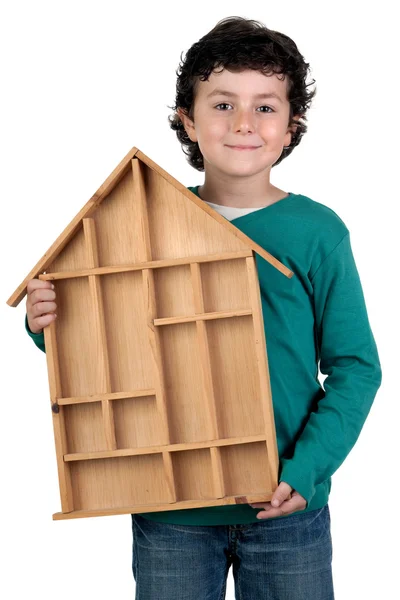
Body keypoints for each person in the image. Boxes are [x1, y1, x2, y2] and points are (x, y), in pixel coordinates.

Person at [25, 16, 382, 600]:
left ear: (292, 126)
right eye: (221, 105)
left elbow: (356, 368)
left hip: (286, 505)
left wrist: (307, 469)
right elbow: (104, 326)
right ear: (188, 120)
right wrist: (46, 320)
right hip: (173, 508)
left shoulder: (318, 232)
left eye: (265, 107)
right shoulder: (139, 221)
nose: (243, 124)